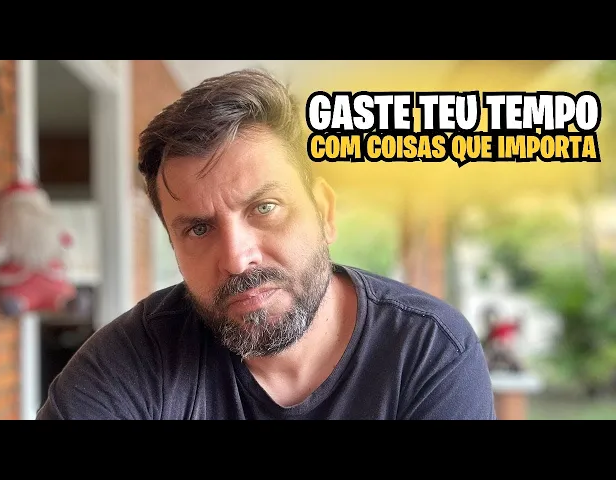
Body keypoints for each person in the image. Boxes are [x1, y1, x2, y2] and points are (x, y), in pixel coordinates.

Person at [36, 68, 496, 420]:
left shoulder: (428, 349)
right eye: (198, 229)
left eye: (265, 207)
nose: (237, 259)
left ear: (324, 213)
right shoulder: (131, 362)